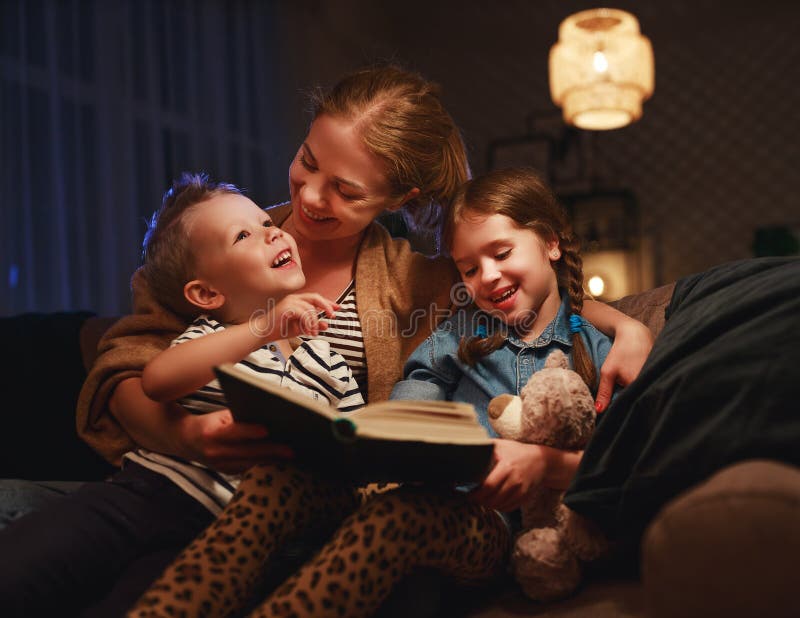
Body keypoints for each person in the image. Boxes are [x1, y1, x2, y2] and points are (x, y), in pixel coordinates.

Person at [0, 64, 653, 612]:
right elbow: (128, 357)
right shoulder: (224, 237)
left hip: (298, 516)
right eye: (307, 162)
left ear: (400, 198)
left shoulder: (416, 284)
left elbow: (521, 293)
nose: (310, 196)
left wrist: (623, 325)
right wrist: (184, 434)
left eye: (344, 190)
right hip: (169, 486)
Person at [124, 166, 616, 618]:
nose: (486, 277)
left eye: (502, 254)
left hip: (496, 531)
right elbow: (412, 399)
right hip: (430, 491)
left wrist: (546, 466)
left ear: (551, 244)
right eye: (467, 270)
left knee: (403, 517)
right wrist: (386, 445)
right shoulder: (455, 337)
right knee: (280, 479)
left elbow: (628, 461)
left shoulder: (599, 349)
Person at [0, 172, 367, 617]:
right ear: (207, 293)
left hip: (216, 536)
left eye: (267, 224)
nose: (273, 232)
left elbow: (358, 442)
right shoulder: (211, 336)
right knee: (25, 564)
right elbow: (157, 379)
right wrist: (263, 328)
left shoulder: (326, 360)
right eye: (244, 235)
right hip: (143, 495)